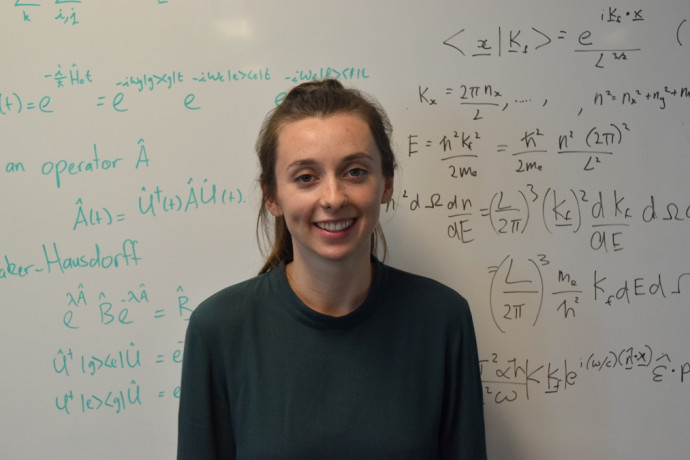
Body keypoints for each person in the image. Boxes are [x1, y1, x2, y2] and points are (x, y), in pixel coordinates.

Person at [177, 79, 487, 459]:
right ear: (272, 197)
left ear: (386, 184)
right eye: (306, 178)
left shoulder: (442, 319)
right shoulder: (218, 329)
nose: (333, 198)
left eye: (354, 172)